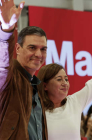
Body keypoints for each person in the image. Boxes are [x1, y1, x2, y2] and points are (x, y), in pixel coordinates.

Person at [37, 35, 92, 140]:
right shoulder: (35, 110)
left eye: (66, 79)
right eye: (59, 79)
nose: (65, 83)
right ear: (45, 86)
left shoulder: (74, 102)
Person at [0, 0, 48, 139]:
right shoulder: (9, 76)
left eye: (43, 49)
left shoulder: (37, 86)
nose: (38, 54)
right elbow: (3, 65)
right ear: (18, 49)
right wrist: (7, 30)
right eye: (32, 48)